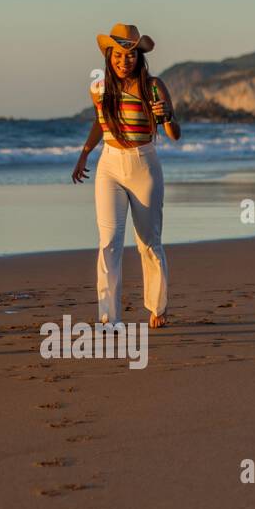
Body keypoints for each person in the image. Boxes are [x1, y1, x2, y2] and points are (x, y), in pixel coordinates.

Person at [71, 23, 180, 328]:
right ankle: (109, 317)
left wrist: (166, 116)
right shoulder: (99, 88)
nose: (124, 61)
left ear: (139, 57)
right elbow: (99, 122)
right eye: (118, 55)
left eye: (130, 55)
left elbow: (175, 134)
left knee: (148, 242)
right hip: (109, 166)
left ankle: (157, 307)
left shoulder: (154, 86)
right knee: (108, 242)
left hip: (143, 165)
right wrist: (84, 154)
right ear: (109, 56)